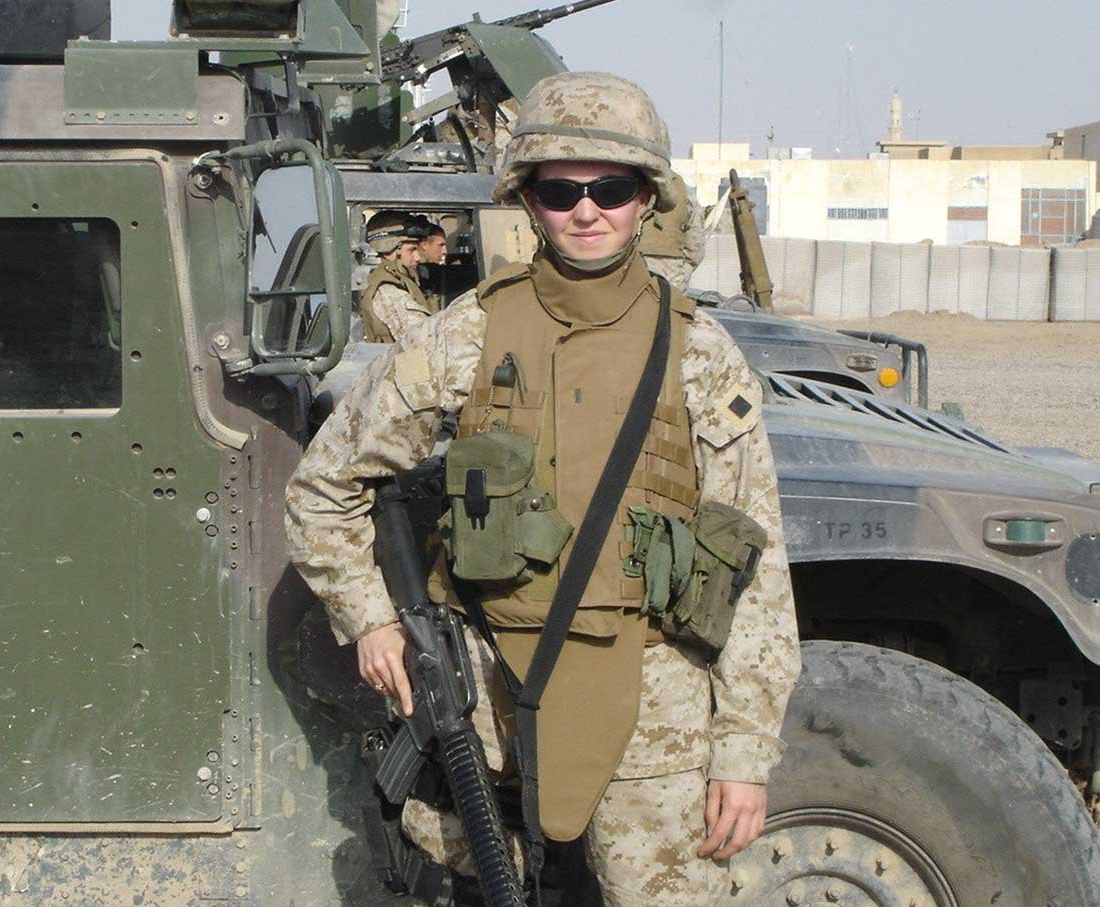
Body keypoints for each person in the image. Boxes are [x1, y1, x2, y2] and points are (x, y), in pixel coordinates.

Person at [286, 72, 800, 906]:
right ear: (528, 199)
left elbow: (757, 569)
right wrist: (369, 617)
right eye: (562, 191)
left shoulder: (701, 354)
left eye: (611, 189)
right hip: (490, 703)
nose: (586, 211)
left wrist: (744, 752)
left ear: (646, 198)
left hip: (654, 715)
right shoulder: (469, 333)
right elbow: (325, 483)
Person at [359, 210, 432, 344]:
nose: (418, 258)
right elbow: (426, 342)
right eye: (411, 250)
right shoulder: (388, 291)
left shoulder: (386, 279)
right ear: (388, 250)